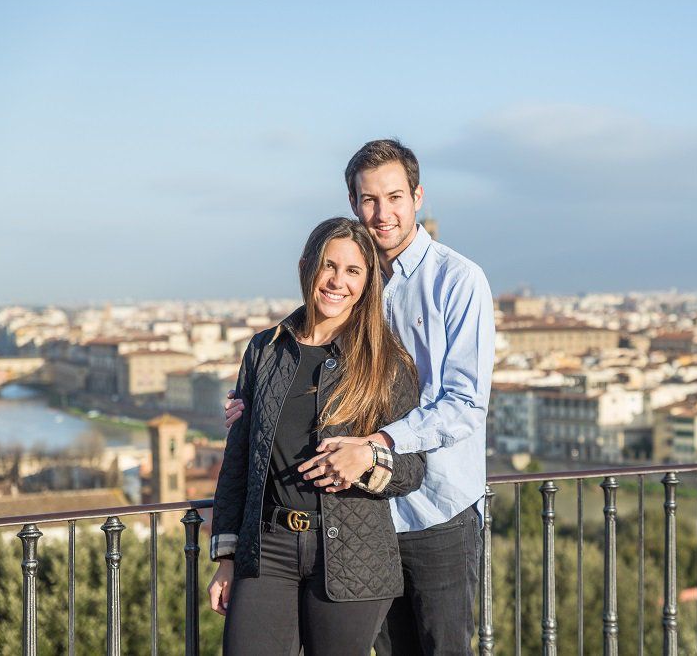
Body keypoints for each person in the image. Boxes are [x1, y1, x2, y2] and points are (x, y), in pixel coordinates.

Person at [226, 139, 496, 655]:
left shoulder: (457, 280)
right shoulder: (353, 273)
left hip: (434, 510)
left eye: (394, 197)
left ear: (417, 197)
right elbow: (309, 354)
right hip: (356, 521)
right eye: (369, 200)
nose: (383, 213)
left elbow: (465, 403)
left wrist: (377, 444)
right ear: (354, 203)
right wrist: (257, 404)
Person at [208, 217, 425, 656]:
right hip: (268, 549)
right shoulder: (264, 350)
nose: (337, 282)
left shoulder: (388, 363)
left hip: (354, 554)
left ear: (368, 282)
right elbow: (239, 462)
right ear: (306, 267)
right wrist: (227, 558)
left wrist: (367, 460)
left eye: (353, 271)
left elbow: (413, 469)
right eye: (329, 266)